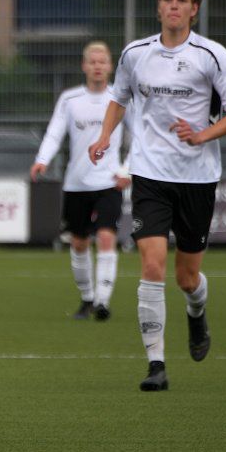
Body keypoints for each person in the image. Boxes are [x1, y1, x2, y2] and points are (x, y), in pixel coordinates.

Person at [88, 0, 226, 391]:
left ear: (194, 8)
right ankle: (156, 365)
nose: (173, 6)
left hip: (197, 178)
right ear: (158, 6)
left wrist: (201, 135)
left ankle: (197, 312)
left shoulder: (212, 56)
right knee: (152, 264)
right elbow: (119, 98)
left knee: (187, 278)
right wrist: (104, 137)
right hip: (149, 174)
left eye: (181, 0)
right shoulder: (135, 53)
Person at [30, 41, 130, 322]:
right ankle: (87, 298)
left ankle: (102, 301)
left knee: (107, 237)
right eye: (92, 62)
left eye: (102, 61)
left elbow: (141, 136)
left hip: (109, 182)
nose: (98, 66)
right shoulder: (70, 99)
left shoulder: (121, 98)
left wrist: (127, 170)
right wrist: (42, 159)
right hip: (76, 183)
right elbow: (54, 132)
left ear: (110, 66)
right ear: (84, 66)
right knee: (79, 242)